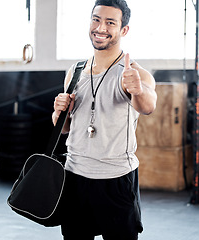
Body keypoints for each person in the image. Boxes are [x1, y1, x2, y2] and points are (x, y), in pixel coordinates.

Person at [52, 0, 157, 239]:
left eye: (110, 22)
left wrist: (138, 90)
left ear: (123, 30)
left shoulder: (134, 73)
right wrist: (59, 112)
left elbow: (149, 106)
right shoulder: (75, 71)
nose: (101, 28)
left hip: (116, 180)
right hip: (75, 178)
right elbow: (65, 128)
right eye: (96, 19)